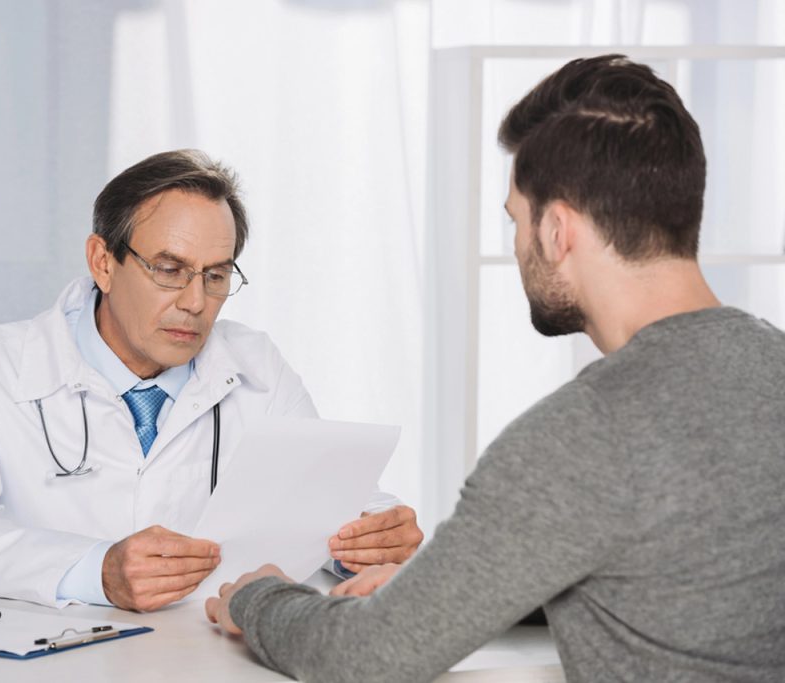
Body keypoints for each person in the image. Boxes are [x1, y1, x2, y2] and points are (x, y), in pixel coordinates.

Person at [205, 56, 785, 682]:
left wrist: (256, 597)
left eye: (515, 219)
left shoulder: (584, 435)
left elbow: (363, 658)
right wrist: (449, 589)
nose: (515, 245)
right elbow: (698, 578)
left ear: (558, 229)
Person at [0, 150, 423, 611]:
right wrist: (97, 570)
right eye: (169, 269)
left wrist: (374, 538)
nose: (195, 302)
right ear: (102, 262)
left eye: (216, 275)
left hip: (208, 658)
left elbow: (330, 498)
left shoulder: (257, 365)